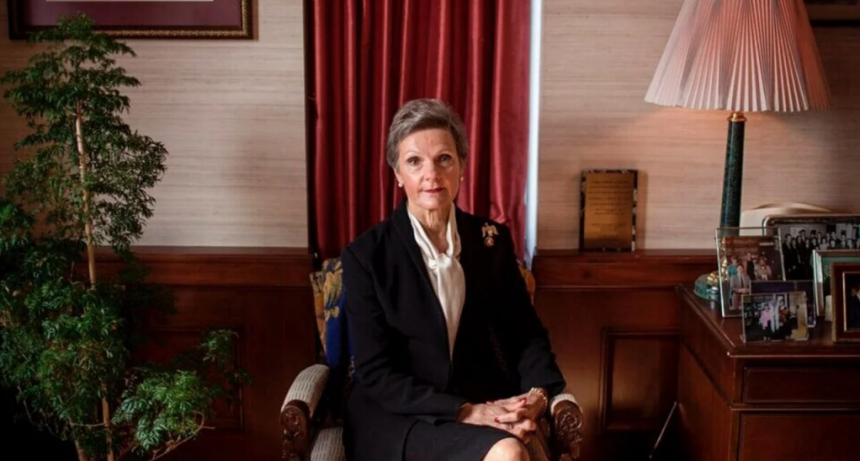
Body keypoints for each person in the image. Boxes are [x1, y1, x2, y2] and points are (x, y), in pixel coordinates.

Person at [341, 98, 566, 461]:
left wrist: (536, 397)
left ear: (462, 166)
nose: (431, 174)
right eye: (414, 162)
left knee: (513, 447)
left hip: (480, 396)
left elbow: (525, 334)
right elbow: (376, 372)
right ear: (397, 174)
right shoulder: (366, 255)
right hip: (398, 416)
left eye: (444, 158)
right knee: (508, 452)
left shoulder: (490, 241)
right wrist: (465, 411)